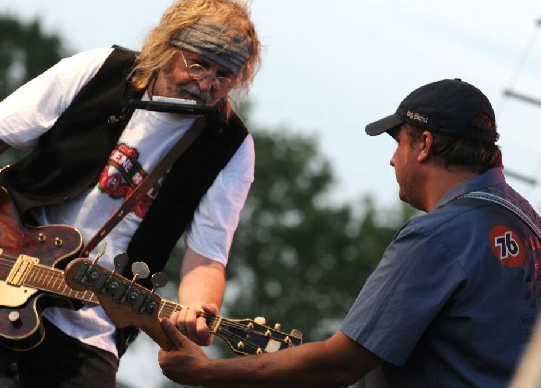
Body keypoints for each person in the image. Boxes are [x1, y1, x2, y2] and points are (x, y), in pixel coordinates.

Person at [0, 0, 261, 387]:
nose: (207, 84)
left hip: (92, 319)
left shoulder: (230, 147)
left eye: (224, 77)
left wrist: (199, 306)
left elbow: (207, 258)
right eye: (199, 65)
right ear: (167, 46)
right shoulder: (101, 69)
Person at [157, 78, 541, 387]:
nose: (393, 159)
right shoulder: (530, 226)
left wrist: (205, 373)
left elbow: (339, 365)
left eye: (398, 142)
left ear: (424, 144)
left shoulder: (439, 235)